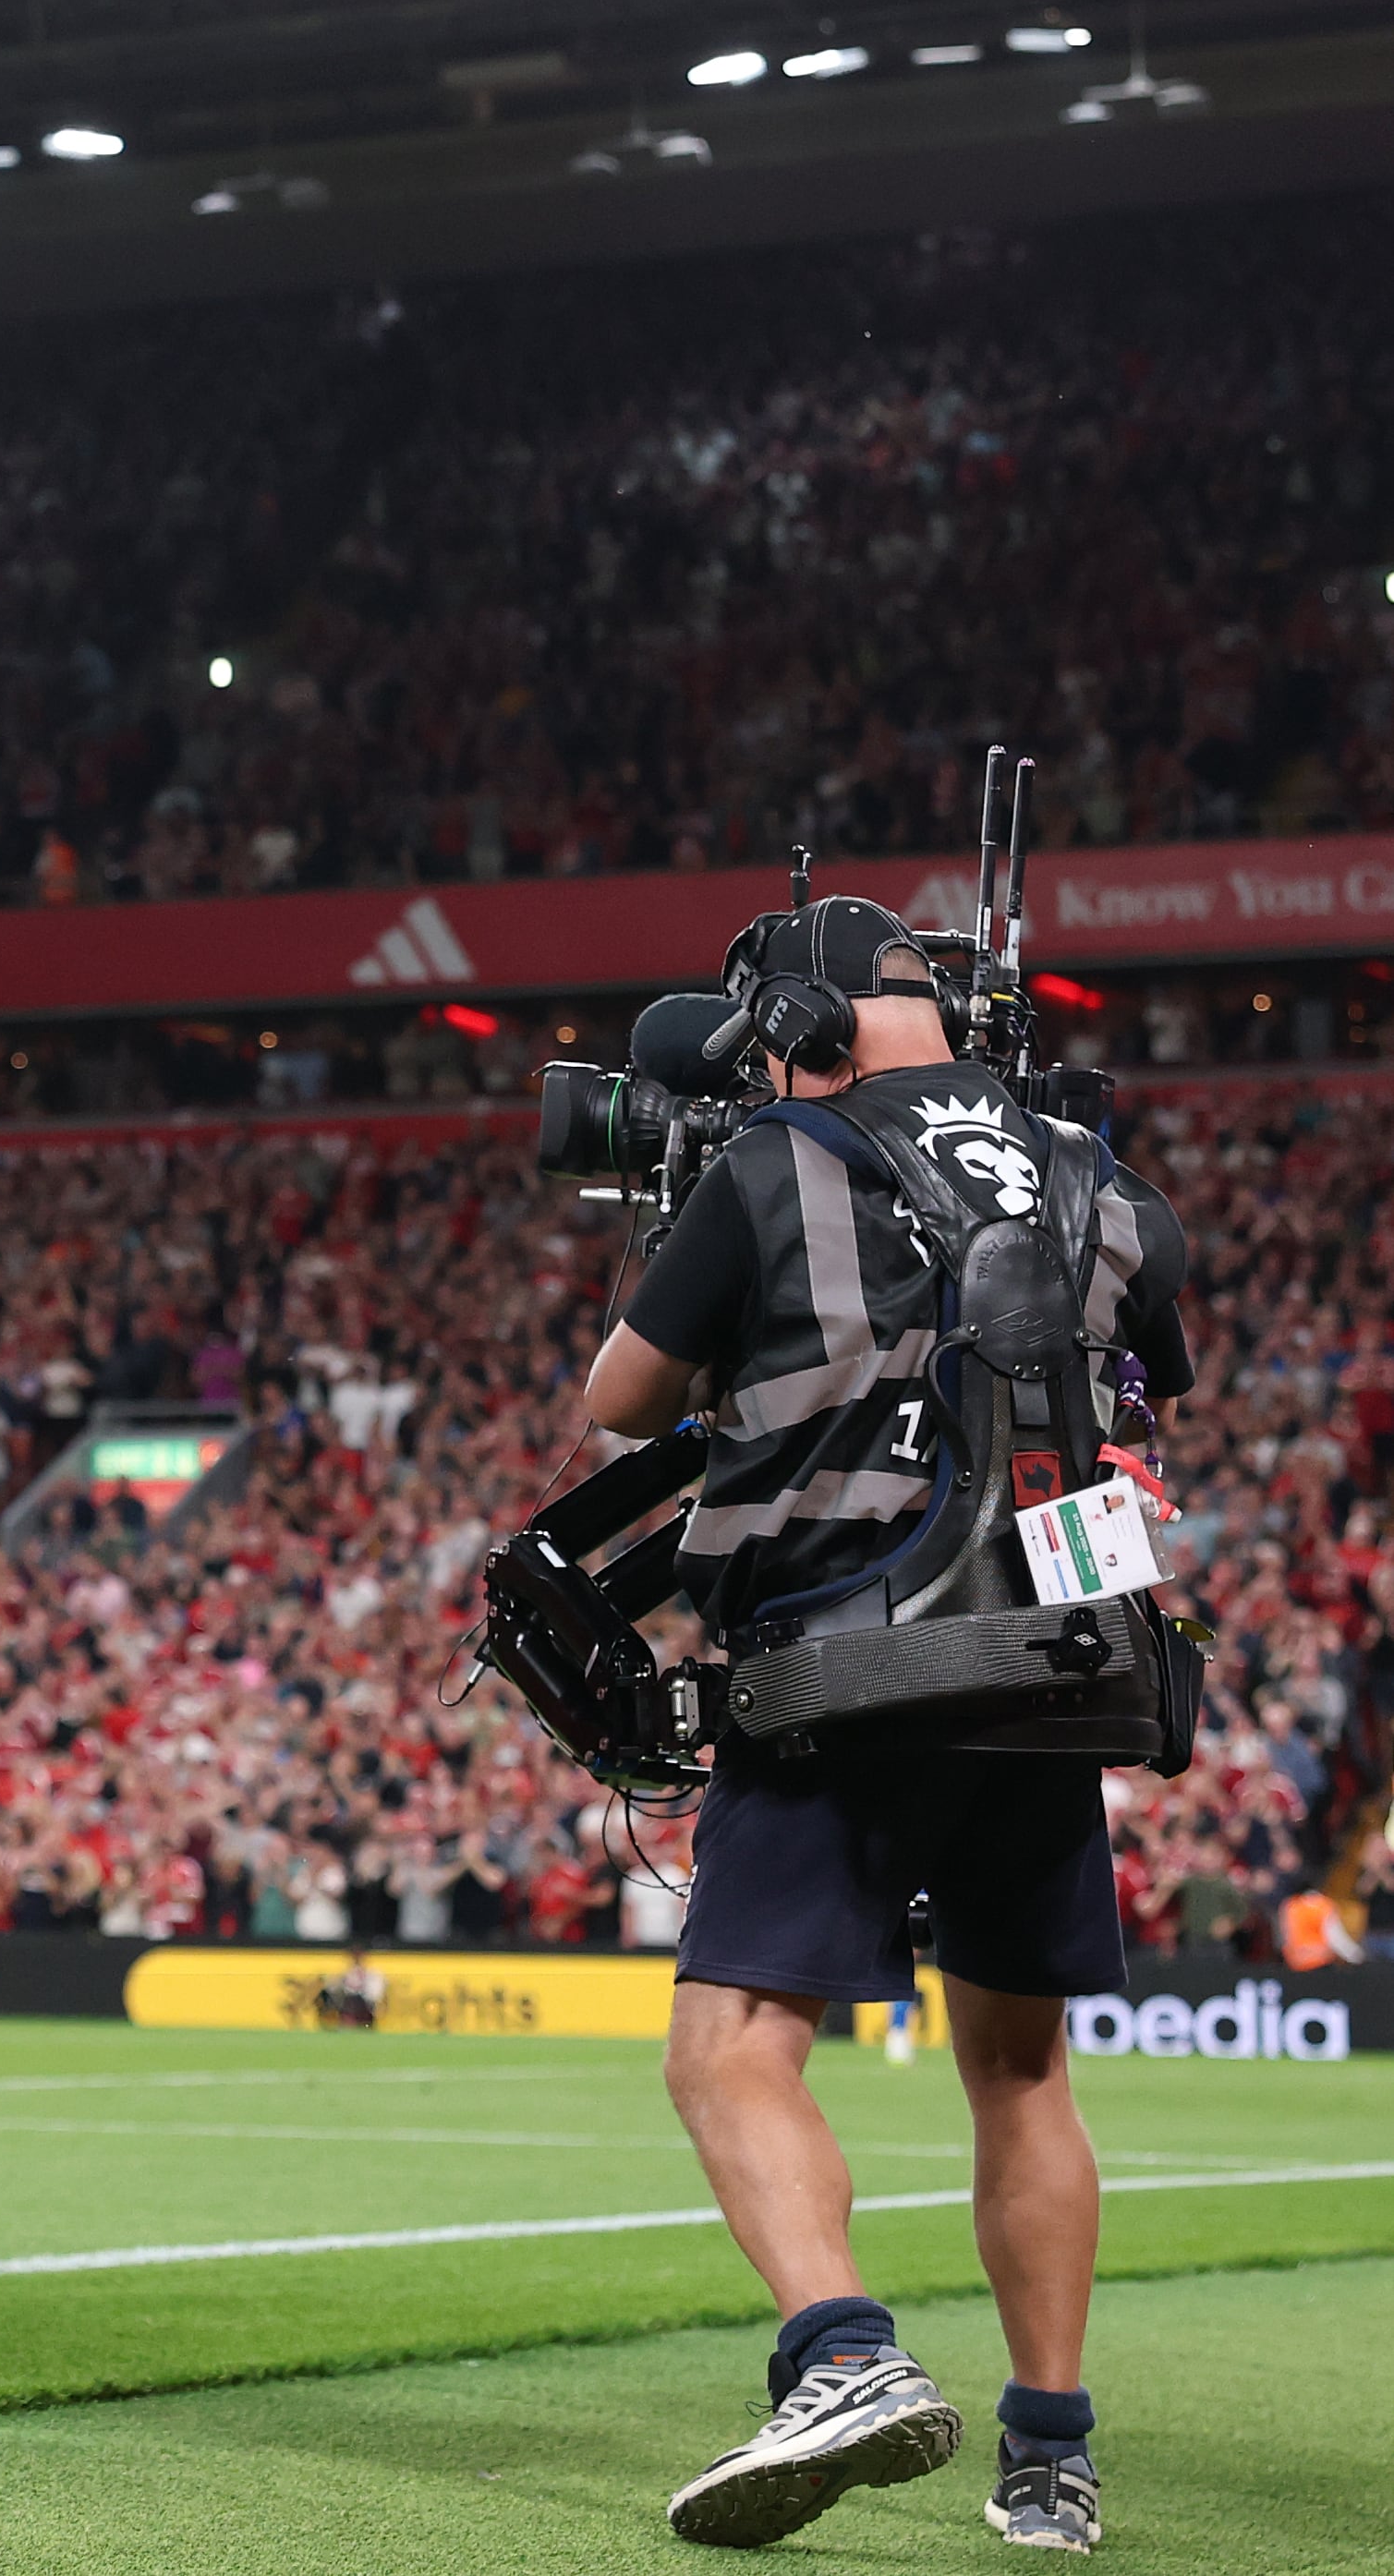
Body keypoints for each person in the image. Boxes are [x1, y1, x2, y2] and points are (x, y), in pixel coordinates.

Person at [584, 898, 1194, 2553]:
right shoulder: (1093, 1169)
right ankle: (1051, 2457)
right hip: (1058, 1668)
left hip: (849, 1672)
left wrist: (706, 1212)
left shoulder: (775, 1156)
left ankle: (840, 2350)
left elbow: (618, 1403)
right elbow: (1154, 1370)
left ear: (801, 1014)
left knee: (728, 2049)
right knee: (1021, 2068)